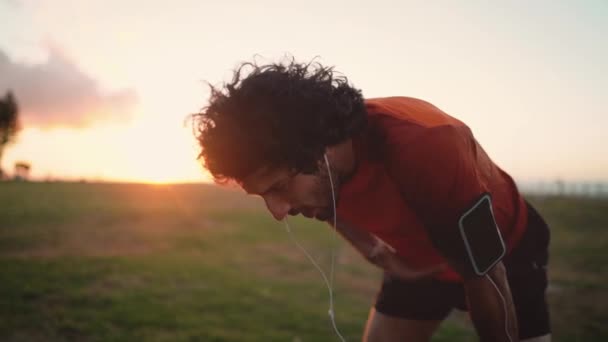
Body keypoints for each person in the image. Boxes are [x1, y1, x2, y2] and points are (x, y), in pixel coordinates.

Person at [193, 60, 551, 342]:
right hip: (420, 262)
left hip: (504, 250)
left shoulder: (426, 145)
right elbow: (326, 205)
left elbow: (486, 273)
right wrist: (378, 255)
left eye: (279, 187)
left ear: (320, 150)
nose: (278, 211)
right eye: (263, 195)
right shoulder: (321, 171)